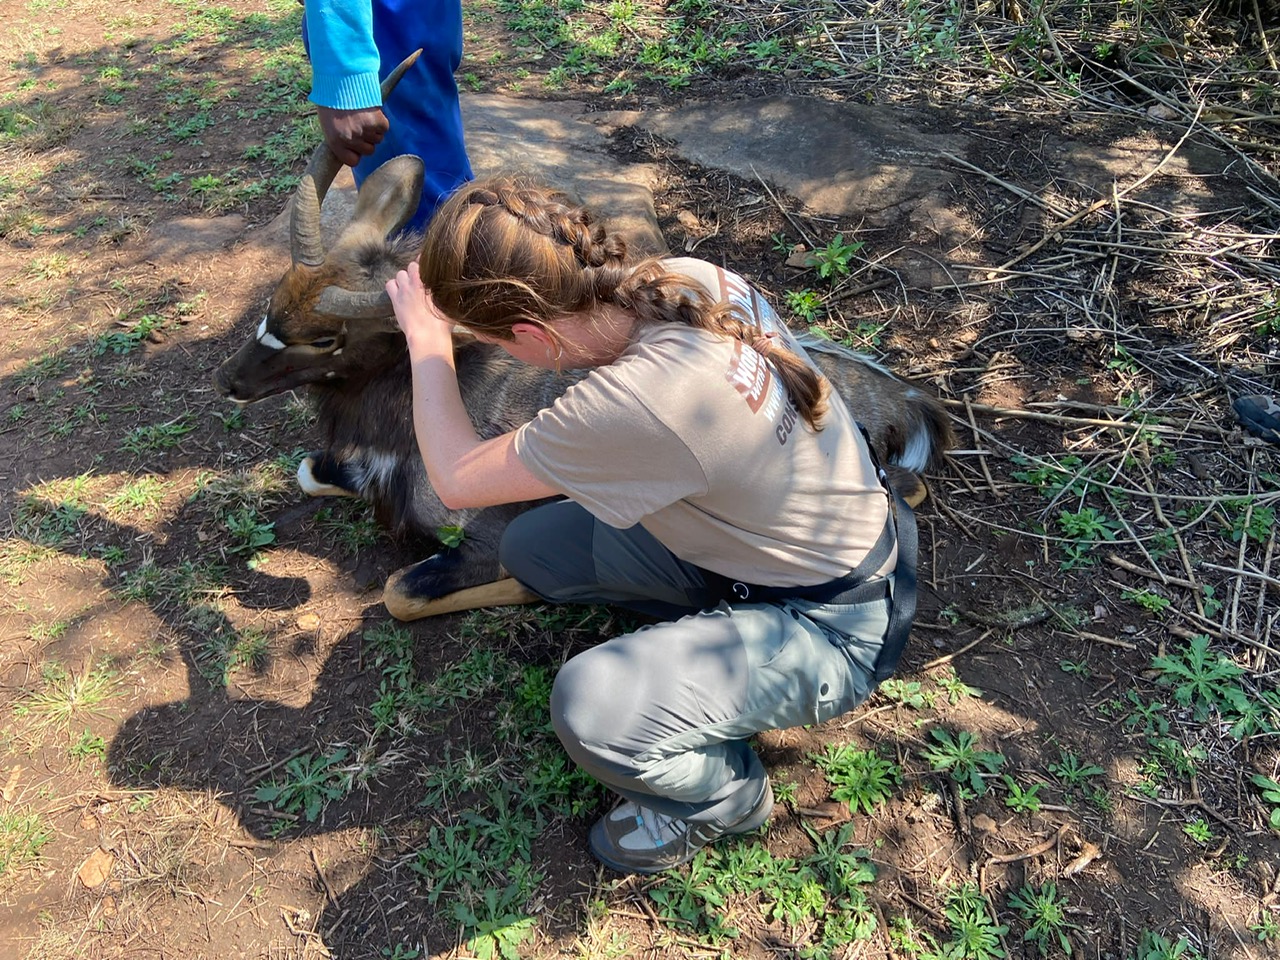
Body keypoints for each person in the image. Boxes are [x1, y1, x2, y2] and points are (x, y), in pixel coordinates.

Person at [384, 176, 917, 874]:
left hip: (837, 625)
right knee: (534, 547)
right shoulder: (685, 280)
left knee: (590, 705)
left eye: (494, 343)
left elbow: (455, 478)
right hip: (807, 543)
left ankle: (725, 798)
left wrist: (427, 344)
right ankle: (706, 627)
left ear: (528, 335)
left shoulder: (634, 404)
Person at [301, 0, 473, 231]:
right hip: (394, 15)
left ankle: (443, 260)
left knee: (425, 212)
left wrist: (347, 74)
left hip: (385, 16)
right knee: (431, 193)